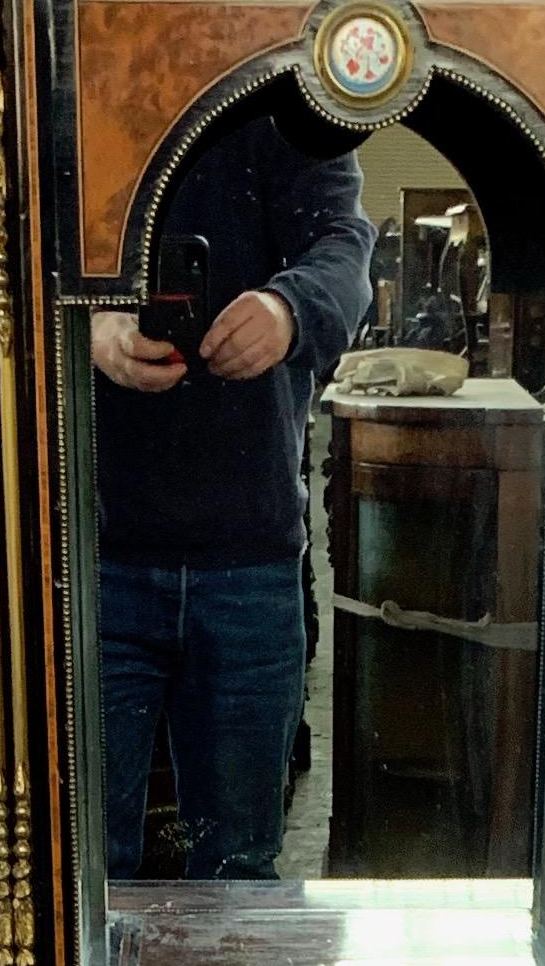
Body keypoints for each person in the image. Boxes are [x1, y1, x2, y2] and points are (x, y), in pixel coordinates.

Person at [92, 102, 373, 879]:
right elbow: (15, 251)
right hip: (103, 559)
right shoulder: (90, 90)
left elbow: (345, 251)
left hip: (238, 561)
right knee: (88, 875)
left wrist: (289, 310)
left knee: (236, 867)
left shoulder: (285, 107)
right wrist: (89, 325)